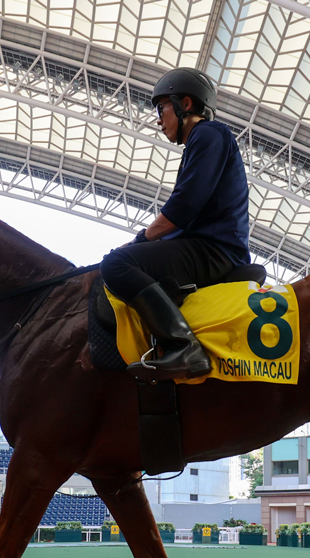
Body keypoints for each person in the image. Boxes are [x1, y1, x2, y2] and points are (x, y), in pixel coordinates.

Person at [100, 67, 252, 381]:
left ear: (184, 103)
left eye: (161, 108)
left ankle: (182, 346)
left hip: (213, 250)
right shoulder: (203, 141)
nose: (158, 119)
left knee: (115, 265)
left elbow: (185, 204)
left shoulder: (209, 134)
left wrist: (141, 238)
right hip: (208, 246)